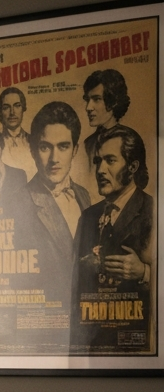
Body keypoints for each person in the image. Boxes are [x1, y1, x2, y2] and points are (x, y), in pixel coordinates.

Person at [9, 101, 91, 346]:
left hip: (85, 330)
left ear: (75, 149)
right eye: (45, 147)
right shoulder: (16, 203)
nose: (54, 158)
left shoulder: (84, 196)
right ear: (33, 150)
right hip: (41, 335)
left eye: (63, 146)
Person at [72, 125, 154, 351]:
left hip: (136, 350)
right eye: (98, 161)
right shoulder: (88, 217)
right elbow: (75, 287)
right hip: (92, 348)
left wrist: (145, 273)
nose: (100, 170)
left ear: (133, 166)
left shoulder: (153, 210)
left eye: (110, 160)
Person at [82, 69, 130, 167]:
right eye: (88, 100)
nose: (88, 108)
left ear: (112, 102)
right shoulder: (89, 144)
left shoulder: (129, 140)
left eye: (97, 99)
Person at [0, 87, 35, 178]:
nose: (12, 112)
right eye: (6, 107)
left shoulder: (34, 141)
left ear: (23, 109)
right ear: (0, 112)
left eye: (17, 106)